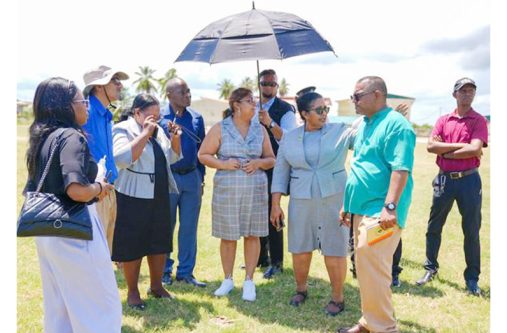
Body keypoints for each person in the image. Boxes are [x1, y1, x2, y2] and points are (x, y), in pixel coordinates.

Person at [24, 77, 121, 332]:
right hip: (75, 231)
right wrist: (99, 187)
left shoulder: (42, 138)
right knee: (102, 310)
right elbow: (76, 190)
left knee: (61, 313)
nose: (87, 106)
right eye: (82, 101)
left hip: (47, 232)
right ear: (66, 106)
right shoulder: (71, 137)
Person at [338, 76, 415, 333]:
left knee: (373, 263)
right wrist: (348, 205)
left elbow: (400, 169)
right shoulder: (365, 124)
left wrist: (390, 207)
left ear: (378, 94)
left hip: (382, 212)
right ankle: (368, 322)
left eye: (358, 96)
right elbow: (361, 165)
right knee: (365, 265)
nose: (354, 101)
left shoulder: (396, 125)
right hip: (361, 209)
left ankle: (384, 328)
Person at [270, 91, 355, 316]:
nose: (324, 113)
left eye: (326, 108)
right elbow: (280, 171)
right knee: (300, 247)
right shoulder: (289, 138)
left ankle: (338, 298)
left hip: (334, 198)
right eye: (319, 110)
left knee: (335, 247)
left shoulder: (340, 131)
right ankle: (301, 289)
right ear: (305, 114)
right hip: (301, 199)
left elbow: (365, 136)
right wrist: (276, 203)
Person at [198, 88, 275, 301]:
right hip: (227, 188)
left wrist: (258, 162)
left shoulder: (260, 130)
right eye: (250, 101)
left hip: (255, 189)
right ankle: (228, 279)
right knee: (228, 235)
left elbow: (271, 159)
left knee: (253, 234)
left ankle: (249, 281)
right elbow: (203, 154)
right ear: (236, 105)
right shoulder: (220, 128)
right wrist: (222, 163)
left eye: (255, 101)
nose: (255, 105)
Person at [415, 78, 488, 296]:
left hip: (469, 180)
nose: (467, 94)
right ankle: (430, 268)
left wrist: (445, 150)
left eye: (471, 91)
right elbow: (430, 147)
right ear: (454, 94)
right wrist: (461, 147)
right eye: (463, 91)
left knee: (471, 229)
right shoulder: (443, 120)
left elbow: (475, 149)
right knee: (434, 226)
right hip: (445, 179)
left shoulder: (479, 120)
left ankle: (472, 278)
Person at [111, 93, 181, 310]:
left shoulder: (159, 131)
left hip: (158, 193)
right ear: (137, 112)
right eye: (151, 116)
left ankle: (156, 286)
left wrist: (175, 138)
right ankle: (133, 291)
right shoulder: (123, 129)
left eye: (158, 117)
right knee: (134, 244)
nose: (156, 121)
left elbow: (172, 157)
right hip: (133, 195)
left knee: (159, 241)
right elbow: (121, 158)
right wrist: (144, 133)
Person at [159, 78, 207, 288]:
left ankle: (185, 272)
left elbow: (202, 150)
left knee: (189, 227)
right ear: (169, 95)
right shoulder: (160, 118)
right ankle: (163, 271)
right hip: (168, 177)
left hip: (191, 177)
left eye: (188, 91)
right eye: (183, 92)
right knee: (165, 226)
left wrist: (201, 177)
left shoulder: (197, 118)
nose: (188, 95)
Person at [255, 69, 297, 279]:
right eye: (265, 83)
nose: (268, 87)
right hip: (256, 166)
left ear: (277, 86)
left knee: (274, 212)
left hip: (277, 166)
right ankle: (261, 258)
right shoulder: (252, 107)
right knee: (257, 212)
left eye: (272, 84)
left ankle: (277, 261)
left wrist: (270, 123)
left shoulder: (286, 109)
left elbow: (289, 139)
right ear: (259, 85)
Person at [82, 65, 129, 254]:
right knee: (95, 253)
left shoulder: (105, 114)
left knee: (105, 252)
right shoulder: (87, 113)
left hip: (108, 189)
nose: (120, 85)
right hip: (95, 191)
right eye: (114, 80)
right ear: (99, 86)